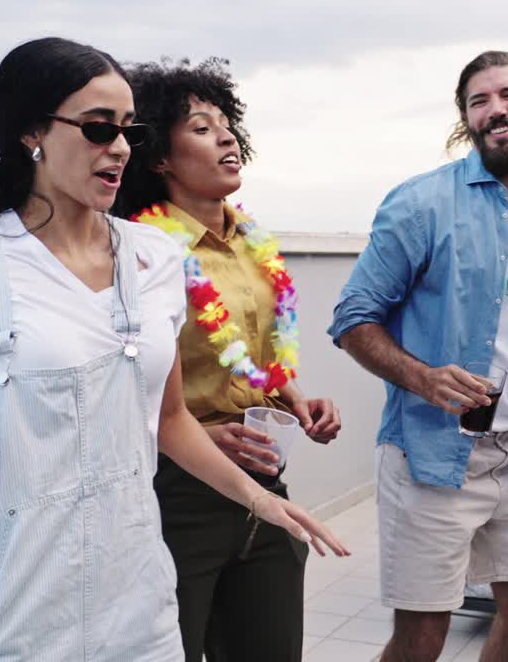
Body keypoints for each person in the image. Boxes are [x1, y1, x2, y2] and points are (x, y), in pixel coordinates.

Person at [0, 37, 346, 662]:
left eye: (128, 130)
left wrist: (260, 500)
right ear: (31, 133)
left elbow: (169, 419)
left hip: (136, 606)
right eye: (97, 128)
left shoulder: (155, 257)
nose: (118, 147)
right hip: (4, 609)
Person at [328, 50, 508, 662]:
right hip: (431, 456)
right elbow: (352, 319)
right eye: (479, 101)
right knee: (422, 636)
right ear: (467, 118)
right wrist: (423, 378)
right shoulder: (421, 203)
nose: (496, 109)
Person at [109, 57, 343, 662]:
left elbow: (253, 363)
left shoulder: (252, 244)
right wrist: (203, 434)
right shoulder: (139, 250)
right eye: (201, 128)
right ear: (160, 158)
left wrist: (295, 398)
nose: (226, 137)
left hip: (263, 481)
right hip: (176, 493)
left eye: (226, 124)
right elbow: (117, 384)